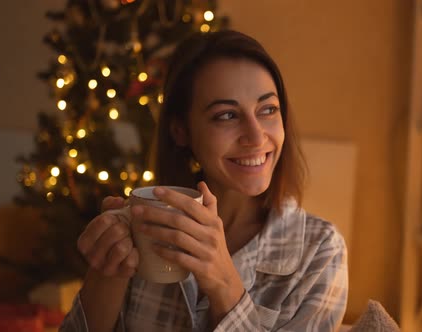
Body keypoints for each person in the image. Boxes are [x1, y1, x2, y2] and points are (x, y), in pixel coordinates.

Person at [60, 29, 348, 332]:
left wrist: (224, 282)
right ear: (181, 131)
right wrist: (106, 272)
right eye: (226, 115)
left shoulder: (321, 250)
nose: (255, 135)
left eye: (268, 109)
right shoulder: (144, 228)